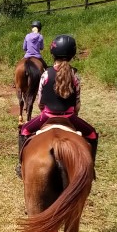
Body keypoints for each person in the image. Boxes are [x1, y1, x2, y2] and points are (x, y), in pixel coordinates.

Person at [16, 34, 98, 178]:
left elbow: (40, 102)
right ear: (72, 54)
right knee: (92, 134)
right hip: (70, 117)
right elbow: (77, 105)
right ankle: (91, 169)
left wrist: (44, 111)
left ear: (53, 53)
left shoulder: (46, 74)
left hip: (47, 115)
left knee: (24, 130)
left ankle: (20, 165)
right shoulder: (74, 75)